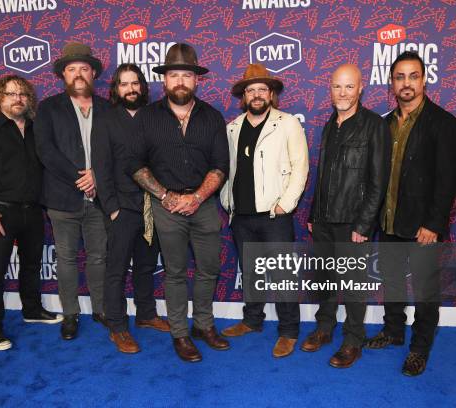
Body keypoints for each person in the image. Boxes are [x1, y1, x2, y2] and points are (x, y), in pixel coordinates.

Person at [127, 43, 230, 362]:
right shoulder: (146, 117)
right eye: (174, 75)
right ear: (164, 80)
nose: (180, 81)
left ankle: (203, 325)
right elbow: (135, 164)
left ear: (197, 79)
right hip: (165, 205)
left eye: (187, 75)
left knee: (208, 268)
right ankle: (180, 334)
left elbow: (221, 166)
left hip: (205, 205)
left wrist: (198, 197)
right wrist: (166, 196)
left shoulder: (212, 117)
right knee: (174, 272)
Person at [364, 51, 456, 376]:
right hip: (389, 220)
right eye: (400, 77)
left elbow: (448, 180)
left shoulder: (443, 122)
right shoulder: (384, 124)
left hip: (424, 227)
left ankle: (420, 348)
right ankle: (393, 331)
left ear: (424, 79)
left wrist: (433, 224)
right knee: (391, 282)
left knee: (425, 290)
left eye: (413, 76)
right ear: (391, 82)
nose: (406, 83)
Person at [0, 75, 62, 351]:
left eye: (23, 94)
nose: (17, 99)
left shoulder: (36, 130)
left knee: (31, 265)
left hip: (33, 212)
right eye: (10, 94)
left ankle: (32, 309)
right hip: (0, 213)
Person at [302, 64, 391, 368]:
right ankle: (324, 328)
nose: (342, 93)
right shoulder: (330, 125)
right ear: (330, 89)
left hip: (354, 223)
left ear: (361, 88)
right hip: (324, 220)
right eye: (337, 87)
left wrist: (364, 224)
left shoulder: (374, 126)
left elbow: (379, 182)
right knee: (325, 280)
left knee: (353, 286)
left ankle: (353, 340)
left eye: (349, 87)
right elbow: (324, 174)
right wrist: (314, 213)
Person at [219, 64, 309, 358]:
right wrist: (226, 199)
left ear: (270, 93)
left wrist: (286, 203)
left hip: (275, 215)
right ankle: (252, 320)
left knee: (283, 276)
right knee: (252, 272)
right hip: (241, 215)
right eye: (250, 90)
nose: (256, 95)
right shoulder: (232, 128)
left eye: (261, 89)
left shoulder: (287, 123)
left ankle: (288, 331)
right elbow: (226, 170)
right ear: (243, 96)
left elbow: (300, 166)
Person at [92, 64, 171, 354]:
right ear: (116, 89)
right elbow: (100, 166)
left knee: (146, 265)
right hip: (122, 208)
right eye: (124, 84)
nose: (130, 89)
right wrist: (111, 208)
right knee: (116, 270)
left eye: (135, 83)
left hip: (152, 207)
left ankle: (147, 315)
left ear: (143, 86)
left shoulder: (156, 117)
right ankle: (117, 326)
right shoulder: (106, 120)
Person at [34, 43, 110, 340]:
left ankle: (101, 309)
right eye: (71, 69)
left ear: (93, 73)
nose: (78, 74)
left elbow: (118, 150)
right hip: (62, 197)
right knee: (65, 258)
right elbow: (45, 151)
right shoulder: (49, 108)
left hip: (100, 198)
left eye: (84, 68)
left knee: (98, 257)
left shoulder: (108, 108)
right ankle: (70, 313)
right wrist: (80, 178)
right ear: (63, 74)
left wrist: (98, 177)